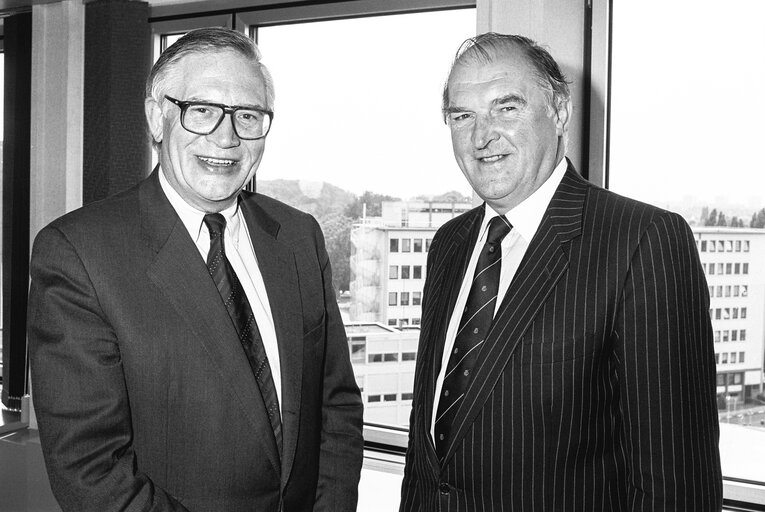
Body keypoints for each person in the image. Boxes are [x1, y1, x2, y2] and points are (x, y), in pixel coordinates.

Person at [28, 27, 363, 512]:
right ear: (157, 118)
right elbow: (91, 470)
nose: (226, 137)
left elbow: (336, 408)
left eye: (247, 115)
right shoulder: (78, 254)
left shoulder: (298, 237)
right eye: (202, 111)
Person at [400, 32, 722, 511]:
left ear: (560, 112)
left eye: (506, 108)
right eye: (461, 115)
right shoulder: (449, 244)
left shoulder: (642, 240)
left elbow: (676, 484)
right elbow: (430, 448)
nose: (481, 136)